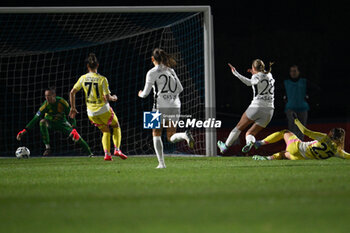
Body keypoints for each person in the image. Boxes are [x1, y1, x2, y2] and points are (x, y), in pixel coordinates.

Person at [138, 48, 194, 169]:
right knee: (171, 136)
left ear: (152, 59)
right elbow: (180, 89)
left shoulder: (151, 72)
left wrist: (140, 93)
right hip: (175, 106)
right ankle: (184, 135)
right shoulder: (171, 70)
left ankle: (161, 164)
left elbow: (145, 94)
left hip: (158, 106)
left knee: (155, 133)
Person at [69, 53, 127, 161]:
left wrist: (73, 107)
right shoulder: (102, 79)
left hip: (91, 112)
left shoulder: (83, 78)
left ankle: (107, 154)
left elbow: (72, 92)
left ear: (87, 66)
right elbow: (107, 97)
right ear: (98, 65)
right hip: (103, 109)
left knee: (105, 131)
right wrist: (114, 97)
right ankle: (117, 149)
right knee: (116, 125)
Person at [217, 59, 275, 154]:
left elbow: (249, 82)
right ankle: (250, 142)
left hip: (257, 107)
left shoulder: (256, 76)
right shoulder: (269, 75)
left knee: (239, 127)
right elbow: (261, 78)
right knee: (250, 133)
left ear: (253, 68)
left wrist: (235, 73)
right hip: (269, 111)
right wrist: (254, 73)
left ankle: (225, 146)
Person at [16, 87, 92, 156]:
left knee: (76, 137)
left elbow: (71, 115)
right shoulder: (45, 106)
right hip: (50, 123)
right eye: (45, 96)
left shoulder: (62, 102)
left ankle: (90, 154)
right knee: (42, 122)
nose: (47, 98)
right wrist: (24, 131)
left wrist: (74, 127)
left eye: (49, 95)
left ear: (54, 95)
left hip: (62, 123)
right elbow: (35, 118)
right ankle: (48, 148)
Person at [252, 115, 349, 160]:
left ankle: (260, 143)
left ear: (331, 134)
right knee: (283, 154)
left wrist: (296, 120)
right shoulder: (337, 151)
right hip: (300, 158)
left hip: (297, 147)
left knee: (285, 132)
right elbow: (348, 157)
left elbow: (305, 131)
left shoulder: (324, 138)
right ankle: (267, 159)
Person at [284, 65, 320, 140]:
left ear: (298, 72)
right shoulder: (286, 82)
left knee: (302, 129)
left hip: (303, 108)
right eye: (291, 71)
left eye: (295, 71)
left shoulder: (304, 82)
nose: (293, 73)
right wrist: (284, 98)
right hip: (291, 108)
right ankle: (292, 146)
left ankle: (300, 147)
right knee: (292, 129)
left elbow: (316, 89)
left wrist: (308, 97)